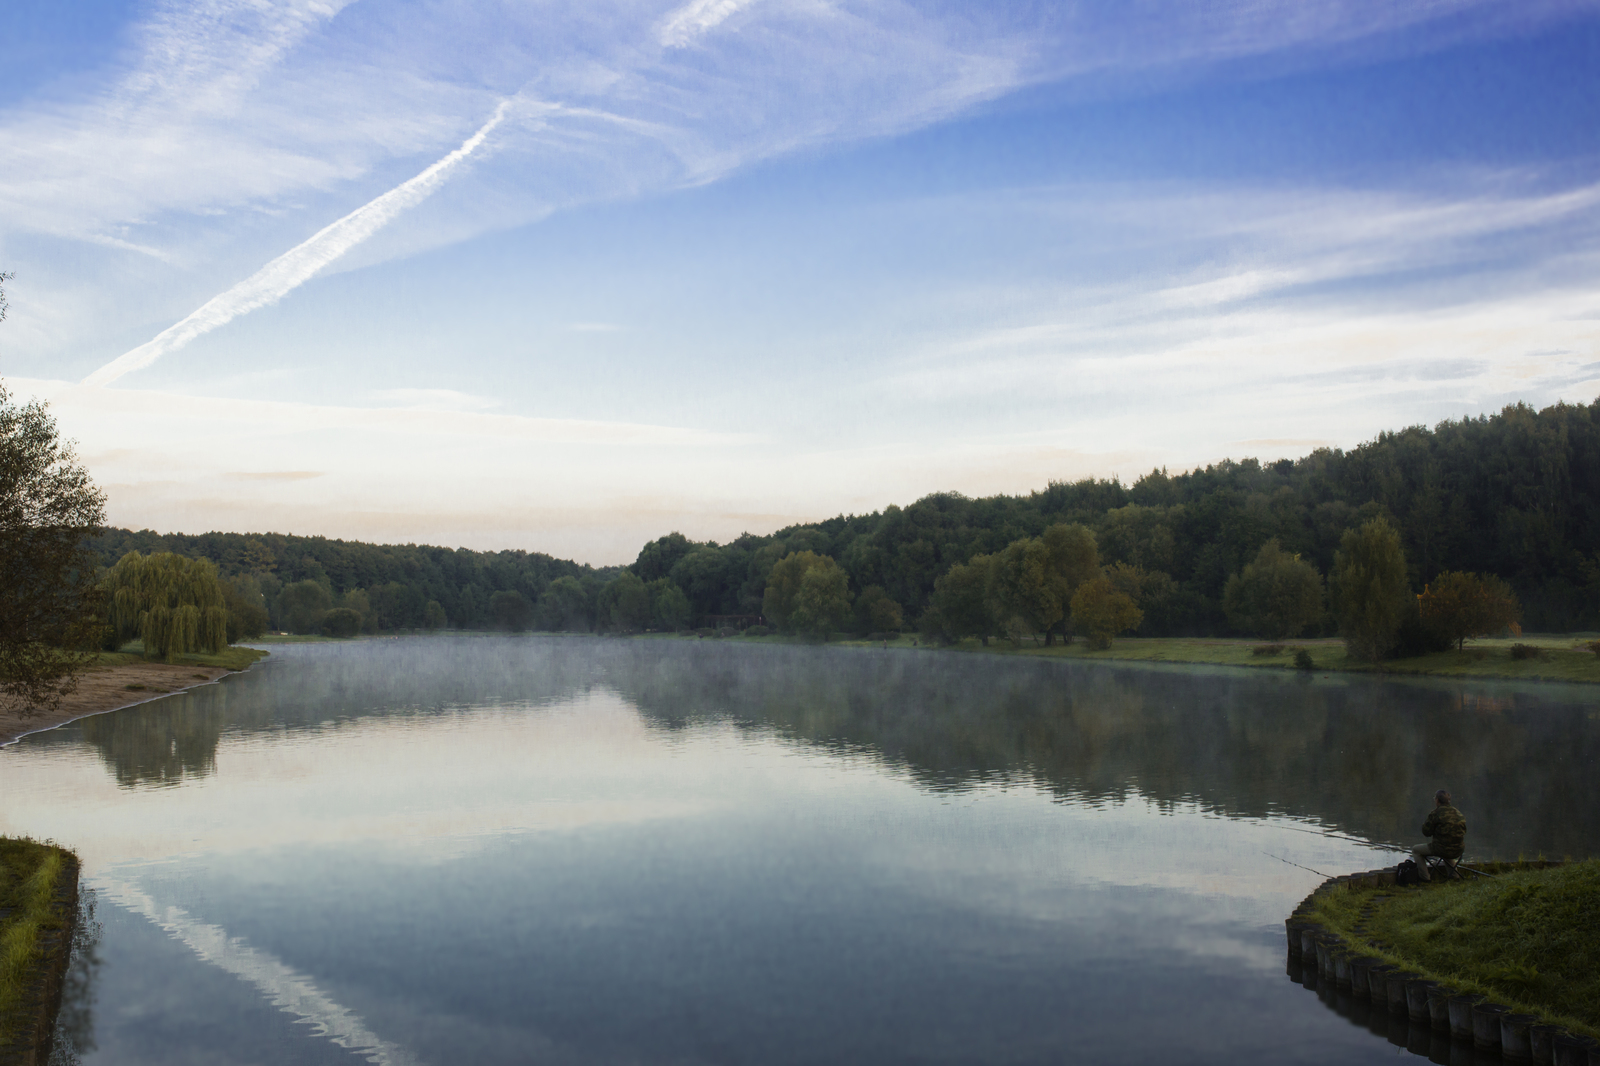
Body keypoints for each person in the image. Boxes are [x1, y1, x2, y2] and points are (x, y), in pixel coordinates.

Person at [1412, 789, 1466, 881]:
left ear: (1437, 800)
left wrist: (1425, 825)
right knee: (1447, 846)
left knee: (1416, 850)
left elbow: (1426, 832)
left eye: (1435, 798)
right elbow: (1464, 830)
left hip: (1442, 849)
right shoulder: (1458, 813)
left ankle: (1425, 878)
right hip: (1459, 849)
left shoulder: (1436, 813)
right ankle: (1454, 876)